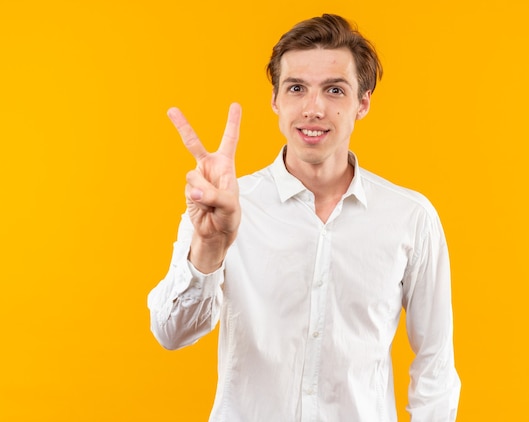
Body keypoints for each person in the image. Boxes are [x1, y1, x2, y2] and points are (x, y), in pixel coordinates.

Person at [148, 13, 461, 421]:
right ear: (276, 100)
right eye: (297, 88)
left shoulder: (410, 217)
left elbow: (435, 364)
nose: (313, 109)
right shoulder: (222, 205)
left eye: (334, 90)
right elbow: (172, 334)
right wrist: (208, 246)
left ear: (362, 102)